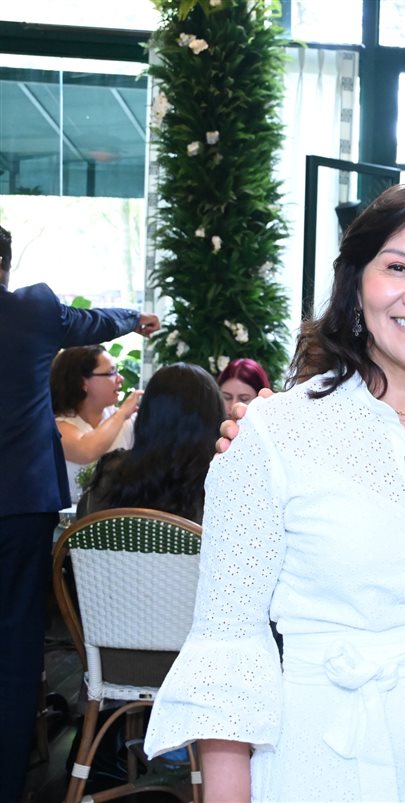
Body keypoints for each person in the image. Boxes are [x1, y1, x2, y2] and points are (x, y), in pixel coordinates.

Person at [144, 185, 405, 802]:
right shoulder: (273, 433)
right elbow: (228, 641)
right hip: (319, 755)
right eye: (397, 267)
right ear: (357, 286)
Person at [0, 223, 158, 803]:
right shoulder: (32, 311)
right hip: (19, 505)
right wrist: (136, 319)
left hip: (21, 505)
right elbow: (91, 323)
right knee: (15, 649)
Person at [78, 363, 225, 523]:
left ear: (146, 415)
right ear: (214, 419)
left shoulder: (110, 473)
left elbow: (85, 529)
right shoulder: (224, 485)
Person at [50, 345, 141, 502]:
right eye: (111, 372)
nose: (120, 378)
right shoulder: (57, 425)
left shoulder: (126, 420)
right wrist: (122, 413)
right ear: (82, 382)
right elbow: (86, 451)